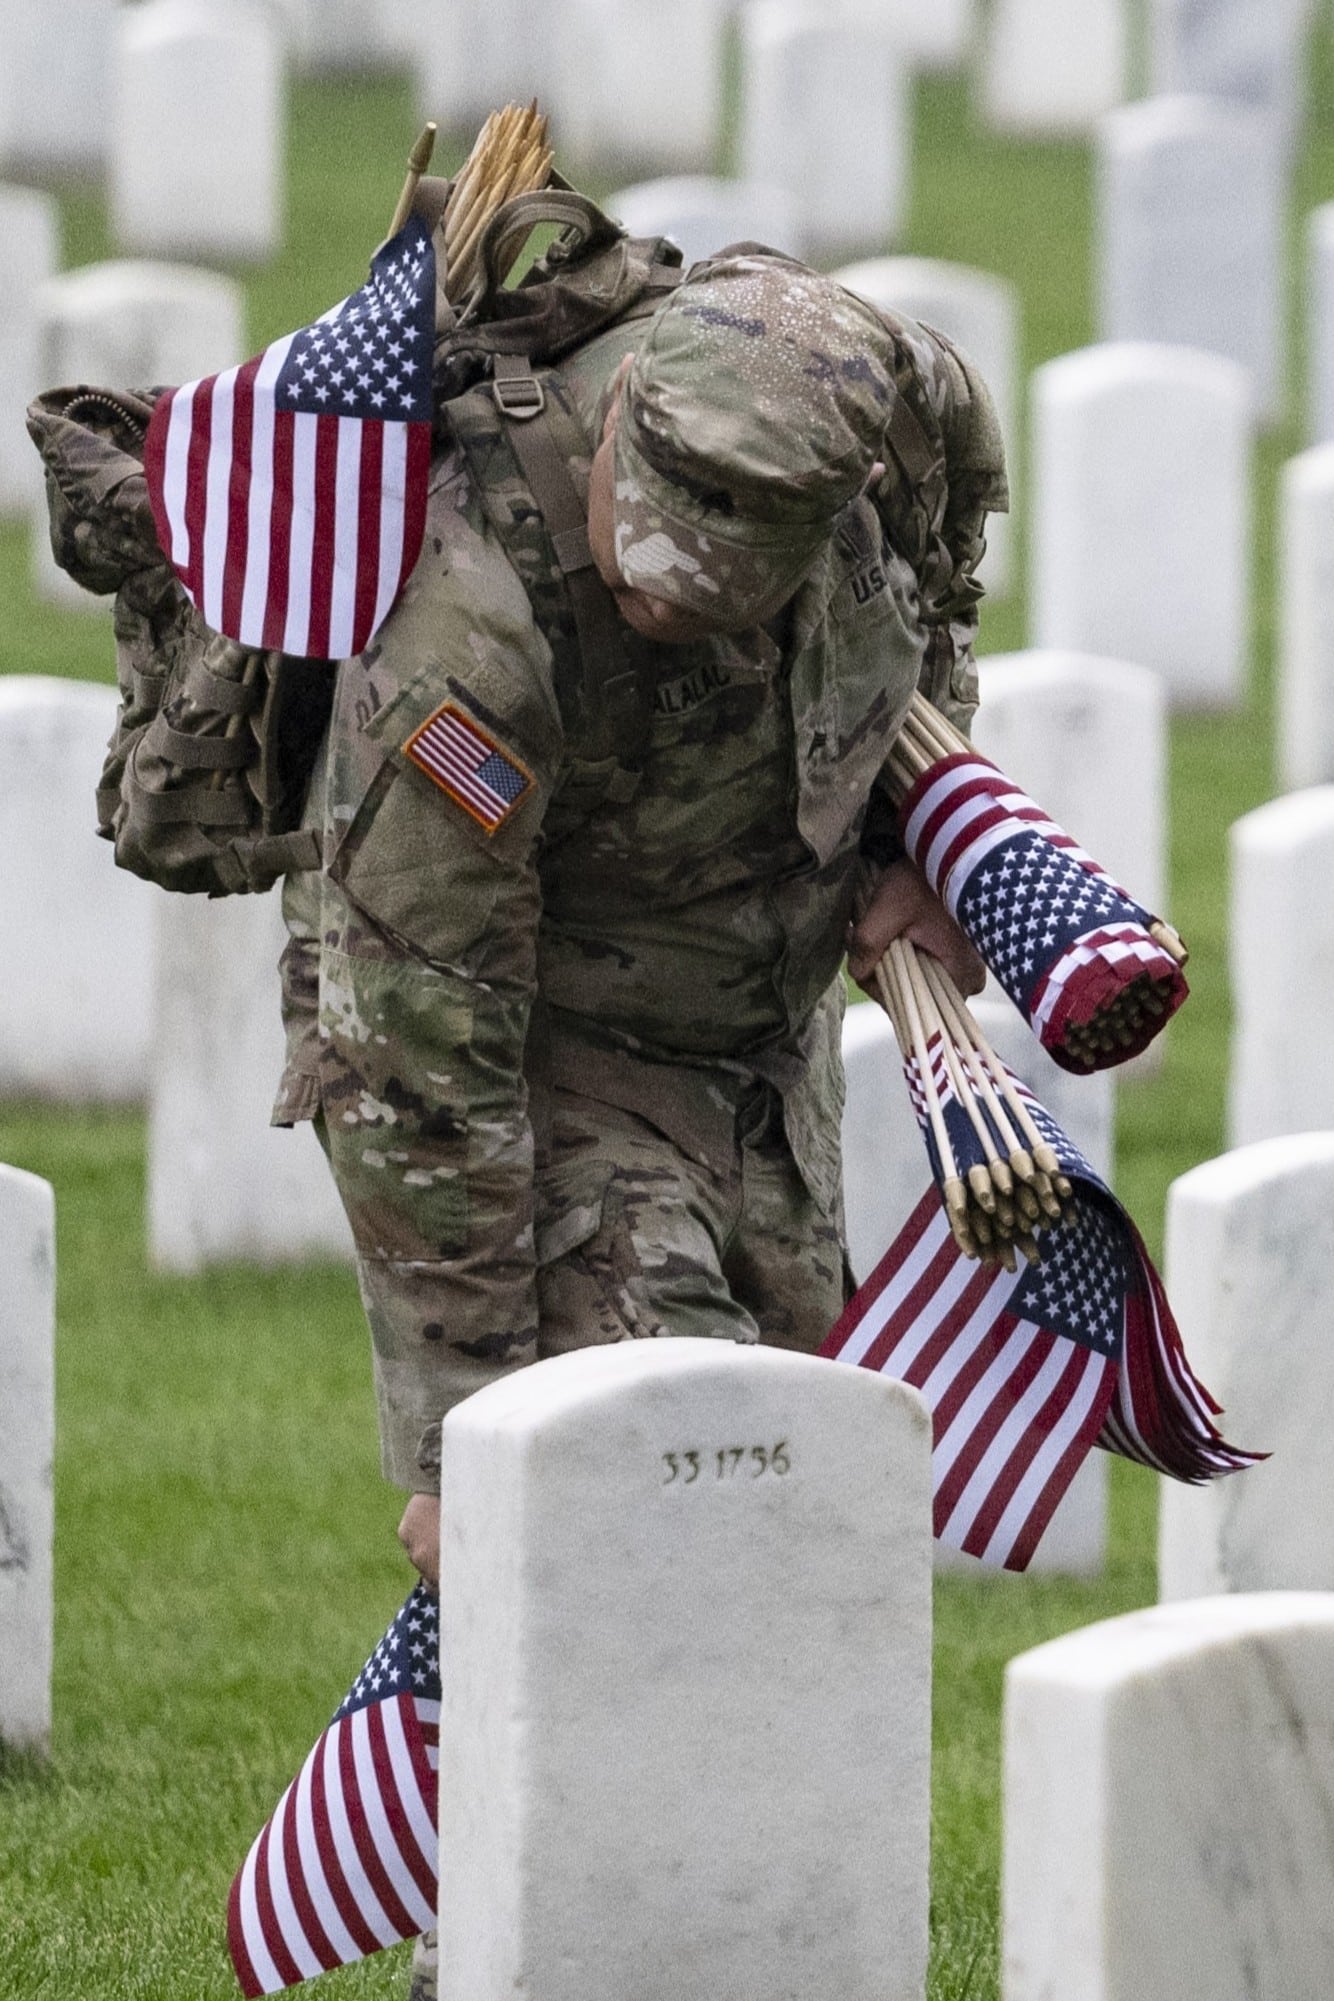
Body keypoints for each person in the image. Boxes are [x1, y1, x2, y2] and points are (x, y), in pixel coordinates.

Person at [267, 247, 1007, 1620]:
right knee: (651, 1500)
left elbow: (930, 614)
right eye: (647, 563)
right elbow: (415, 1020)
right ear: (616, 430)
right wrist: (464, 1425)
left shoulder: (895, 426)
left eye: (725, 578)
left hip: (762, 1046)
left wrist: (917, 843)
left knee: (794, 1490)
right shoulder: (471, 616)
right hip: (542, 1045)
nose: (666, 596)